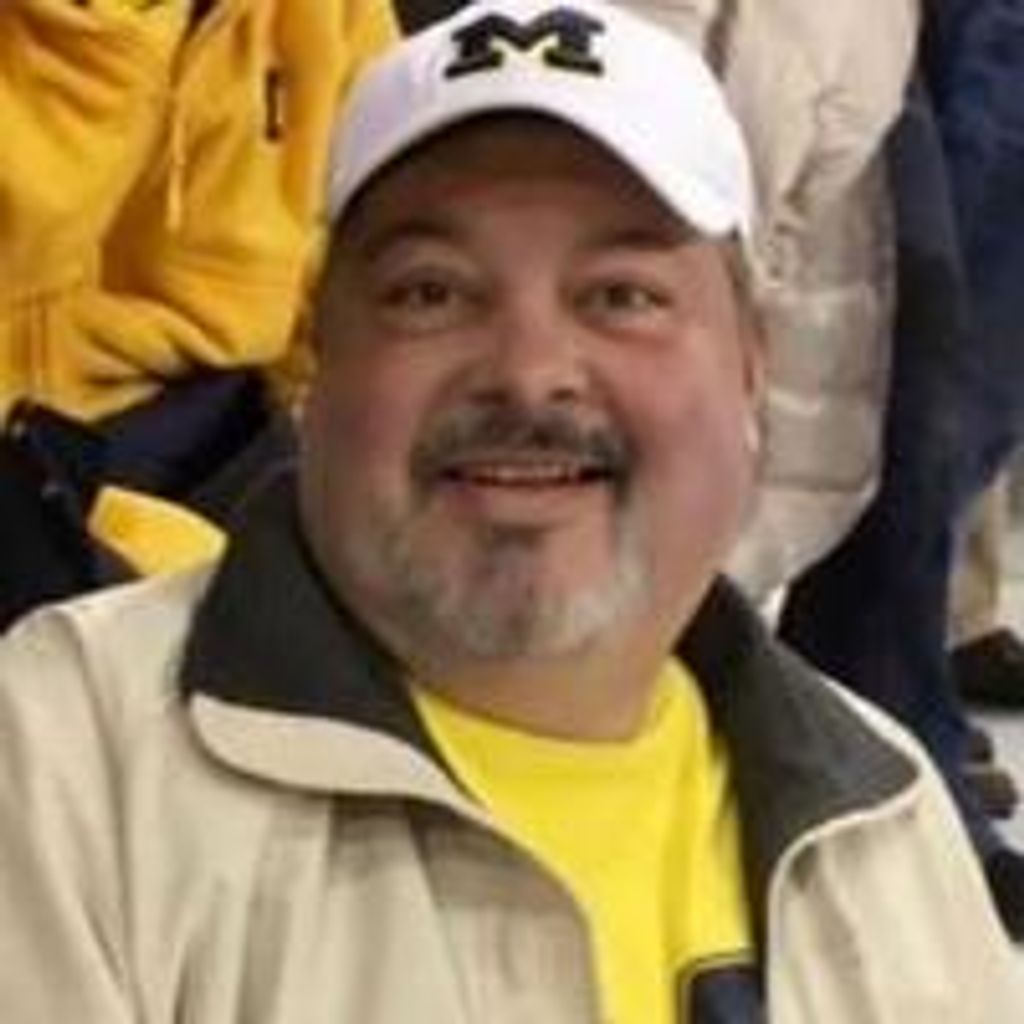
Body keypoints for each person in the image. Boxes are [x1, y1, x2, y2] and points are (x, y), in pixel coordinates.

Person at [0, 2, 1018, 1021]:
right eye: (430, 294)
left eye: (620, 295)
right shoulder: (62, 773)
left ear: (754, 363)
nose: (530, 374)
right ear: (322, 353)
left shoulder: (884, 831)